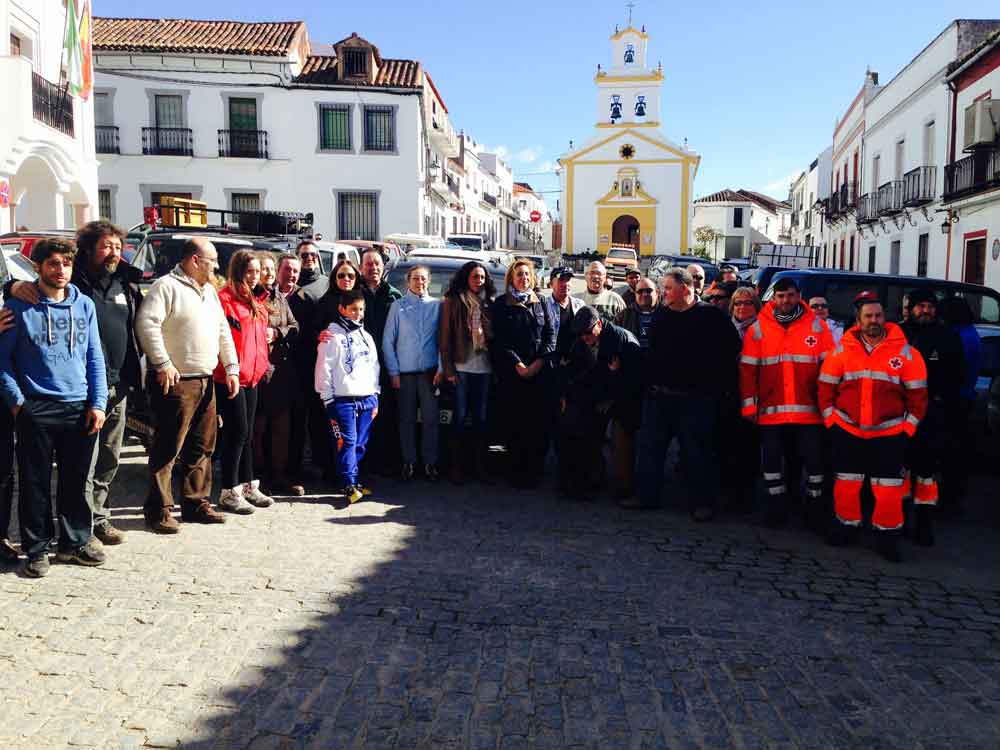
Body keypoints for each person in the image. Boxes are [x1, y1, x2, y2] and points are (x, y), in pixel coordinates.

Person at [7, 220, 144, 547]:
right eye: (106, 246)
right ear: (89, 249)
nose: (114, 253)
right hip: (55, 398)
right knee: (58, 474)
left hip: (106, 390)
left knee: (99, 463)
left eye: (118, 247)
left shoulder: (117, 286)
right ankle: (55, 540)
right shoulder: (63, 285)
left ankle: (90, 526)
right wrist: (17, 402)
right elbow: (5, 357)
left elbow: (107, 346)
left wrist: (111, 393)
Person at [0, 238, 108, 577]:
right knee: (35, 484)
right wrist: (18, 403)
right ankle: (36, 548)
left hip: (79, 406)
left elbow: (95, 357)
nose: (61, 270)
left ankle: (74, 543)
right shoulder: (19, 306)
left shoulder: (84, 305)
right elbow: (2, 362)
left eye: (66, 263)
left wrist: (98, 402)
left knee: (76, 482)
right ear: (38, 267)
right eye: (53, 264)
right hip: (35, 407)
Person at [135, 237, 240, 533]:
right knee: (168, 446)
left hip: (205, 379)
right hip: (176, 381)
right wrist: (162, 363)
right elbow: (147, 324)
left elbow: (223, 331)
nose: (217, 266)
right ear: (195, 260)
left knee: (203, 446)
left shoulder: (209, 292)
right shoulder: (166, 287)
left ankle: (195, 503)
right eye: (212, 260)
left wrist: (231, 368)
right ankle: (159, 510)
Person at [818, 292, 928, 562]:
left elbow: (918, 397)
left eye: (878, 315)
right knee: (846, 484)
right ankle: (847, 527)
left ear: (885, 317)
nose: (874, 320)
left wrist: (907, 429)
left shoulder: (906, 354)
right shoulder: (841, 351)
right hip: (848, 430)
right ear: (858, 320)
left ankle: (887, 538)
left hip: (889, 433)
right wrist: (832, 421)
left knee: (889, 489)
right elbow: (824, 390)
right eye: (868, 316)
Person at [632, 267, 742, 519]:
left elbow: (732, 350)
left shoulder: (712, 316)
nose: (664, 293)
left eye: (668, 288)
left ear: (684, 289)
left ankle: (701, 503)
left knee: (697, 452)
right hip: (660, 397)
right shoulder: (661, 316)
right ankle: (647, 497)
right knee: (650, 448)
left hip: (696, 399)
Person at [740, 277, 834, 530]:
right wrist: (749, 406)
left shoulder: (818, 327)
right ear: (773, 298)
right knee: (771, 463)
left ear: (799, 296)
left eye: (791, 295)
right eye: (781, 296)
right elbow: (748, 371)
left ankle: (814, 508)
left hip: (809, 412)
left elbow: (830, 371)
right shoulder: (759, 328)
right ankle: (776, 507)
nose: (786, 300)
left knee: (814, 463)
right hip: (771, 411)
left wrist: (828, 406)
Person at [899, 289, 965, 545]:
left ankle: (924, 525)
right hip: (900, 414)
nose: (925, 310)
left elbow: (957, 374)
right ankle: (899, 520)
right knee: (901, 471)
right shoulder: (897, 334)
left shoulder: (947, 336)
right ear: (911, 308)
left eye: (930, 306)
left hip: (932, 416)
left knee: (926, 474)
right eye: (920, 306)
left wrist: (942, 402)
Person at [558, 307, 642, 501]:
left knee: (621, 443)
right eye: (581, 334)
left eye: (588, 332)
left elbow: (634, 379)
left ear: (599, 324)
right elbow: (574, 371)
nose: (584, 337)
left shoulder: (622, 340)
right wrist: (566, 394)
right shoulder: (580, 342)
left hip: (623, 398)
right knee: (583, 434)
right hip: (595, 397)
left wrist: (615, 375)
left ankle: (624, 488)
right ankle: (590, 479)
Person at [490, 259, 556, 488]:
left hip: (539, 374)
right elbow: (498, 341)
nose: (524, 278)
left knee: (536, 426)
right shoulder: (501, 304)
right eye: (519, 274)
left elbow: (551, 335)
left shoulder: (542, 301)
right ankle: (515, 472)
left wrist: (538, 362)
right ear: (511, 278)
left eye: (527, 274)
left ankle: (534, 472)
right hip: (512, 375)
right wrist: (517, 364)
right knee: (514, 424)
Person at [314, 287, 380, 505]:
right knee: (347, 442)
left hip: (367, 398)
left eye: (361, 309)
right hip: (342, 399)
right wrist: (327, 397)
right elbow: (324, 367)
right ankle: (348, 483)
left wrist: (375, 393)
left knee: (360, 443)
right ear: (342, 309)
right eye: (353, 309)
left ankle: (354, 479)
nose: (357, 314)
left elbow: (374, 366)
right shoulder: (331, 336)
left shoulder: (366, 336)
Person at [383, 265, 443, 481]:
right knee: (406, 419)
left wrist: (441, 368)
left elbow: (443, 341)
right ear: (408, 282)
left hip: (429, 373)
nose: (420, 282)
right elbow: (388, 341)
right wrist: (393, 372)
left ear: (429, 281)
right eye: (416, 278)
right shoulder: (398, 307)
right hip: (405, 373)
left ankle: (430, 463)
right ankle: (409, 461)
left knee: (431, 420)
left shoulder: (437, 306)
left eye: (423, 278)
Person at [439, 261, 496, 484]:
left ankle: (479, 466)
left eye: (482, 277)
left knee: (481, 418)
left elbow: (495, 335)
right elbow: (445, 337)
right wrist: (448, 369)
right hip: (461, 367)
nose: (479, 281)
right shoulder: (453, 300)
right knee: (460, 417)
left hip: (484, 368)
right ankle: (457, 468)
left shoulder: (490, 302)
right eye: (474, 277)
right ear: (466, 278)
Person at [252, 253, 303, 497]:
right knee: (258, 430)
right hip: (258, 373)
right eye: (265, 269)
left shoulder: (280, 297)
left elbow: (295, 326)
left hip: (280, 374)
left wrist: (277, 333)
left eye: (272, 269)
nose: (269, 273)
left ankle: (278, 476)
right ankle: (257, 479)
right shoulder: (251, 297)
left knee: (281, 429)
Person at [358, 249, 402, 477]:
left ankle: (386, 461)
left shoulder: (394, 295)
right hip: (360, 365)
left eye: (376, 264)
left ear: (383, 267)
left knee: (386, 413)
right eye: (368, 264)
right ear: (361, 268)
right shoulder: (354, 294)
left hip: (386, 363)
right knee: (363, 413)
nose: (373, 268)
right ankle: (364, 461)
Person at [938, 296, 981, 518]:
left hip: (956, 400)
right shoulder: (970, 333)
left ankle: (950, 501)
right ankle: (952, 498)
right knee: (956, 453)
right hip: (964, 398)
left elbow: (955, 370)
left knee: (951, 453)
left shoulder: (960, 336)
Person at [544, 266, 585, 361]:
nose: (565, 284)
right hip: (550, 360)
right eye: (561, 280)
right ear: (551, 284)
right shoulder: (543, 305)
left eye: (568, 280)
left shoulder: (580, 304)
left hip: (575, 360)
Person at [620, 276, 658, 350]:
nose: (644, 294)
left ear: (657, 292)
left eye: (648, 290)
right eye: (640, 291)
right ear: (635, 294)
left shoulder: (667, 314)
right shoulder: (624, 315)